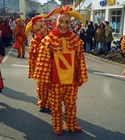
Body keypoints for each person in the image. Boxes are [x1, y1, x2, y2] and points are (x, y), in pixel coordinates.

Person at [32, 5, 88, 135]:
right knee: (56, 106)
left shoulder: (75, 39)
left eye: (67, 22)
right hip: (55, 81)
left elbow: (80, 60)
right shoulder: (48, 40)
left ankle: (71, 125)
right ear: (56, 22)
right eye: (61, 21)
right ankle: (57, 126)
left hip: (71, 81)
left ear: (70, 23)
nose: (64, 25)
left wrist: (80, 76)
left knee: (71, 105)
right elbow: (43, 62)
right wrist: (46, 80)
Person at [25, 15, 51, 112]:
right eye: (40, 27)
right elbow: (31, 56)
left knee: (50, 87)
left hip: (50, 68)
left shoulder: (52, 37)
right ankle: (41, 103)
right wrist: (32, 70)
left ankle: (48, 104)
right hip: (39, 68)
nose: (43, 28)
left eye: (44, 25)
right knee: (40, 88)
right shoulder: (34, 41)